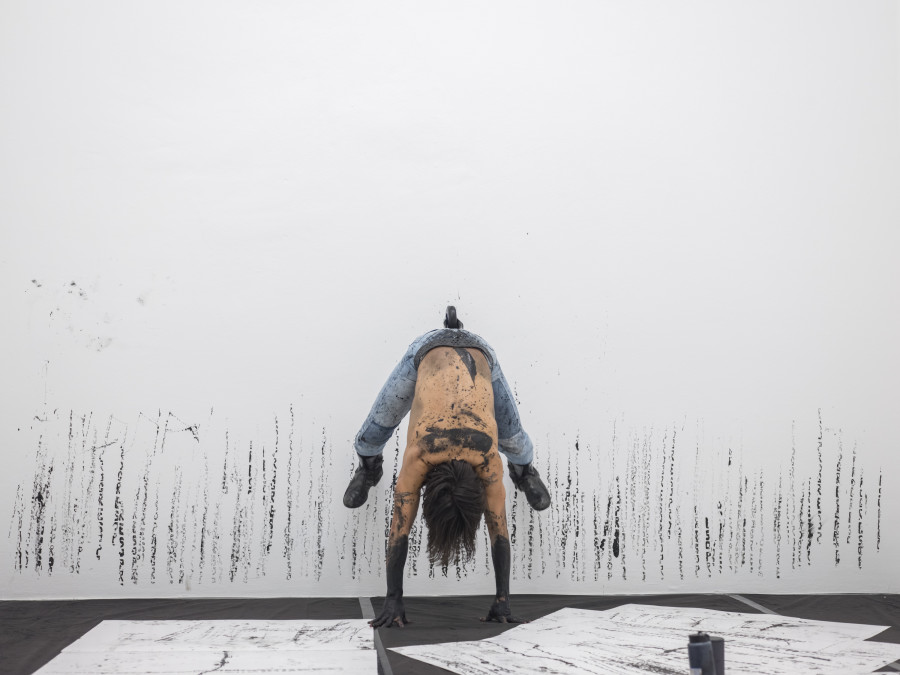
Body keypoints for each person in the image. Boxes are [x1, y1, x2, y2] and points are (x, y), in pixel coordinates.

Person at [343, 308, 549, 627]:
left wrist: (502, 603)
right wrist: (501, 603)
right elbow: (498, 528)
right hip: (427, 353)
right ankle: (369, 469)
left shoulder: (486, 459)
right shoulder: (423, 458)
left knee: (516, 442)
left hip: (479, 356)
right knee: (372, 434)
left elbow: (401, 527)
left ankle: (524, 473)